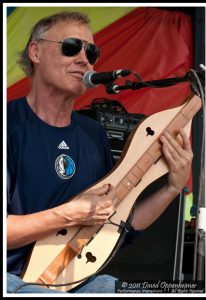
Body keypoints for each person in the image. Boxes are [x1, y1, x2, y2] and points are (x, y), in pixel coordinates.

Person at [7, 11, 193, 294]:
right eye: (71, 47)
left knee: (174, 290)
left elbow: (118, 228)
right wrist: (69, 215)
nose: (84, 59)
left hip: (78, 280)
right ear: (36, 51)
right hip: (12, 278)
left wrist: (172, 187)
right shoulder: (10, 125)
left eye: (91, 52)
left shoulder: (93, 135)